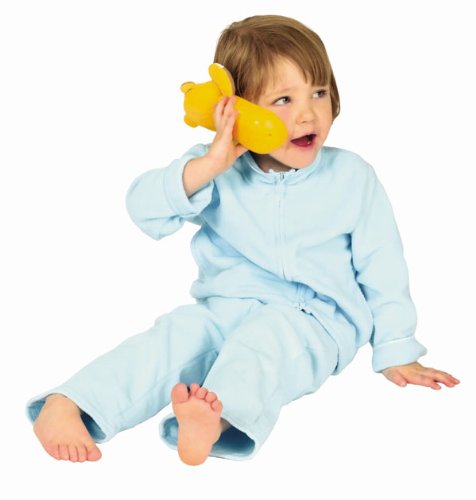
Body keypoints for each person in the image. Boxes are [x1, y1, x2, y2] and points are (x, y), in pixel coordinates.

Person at [27, 14, 460, 466]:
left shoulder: (352, 176)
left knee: (263, 346)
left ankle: (214, 421)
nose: (308, 113)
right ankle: (73, 403)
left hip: (315, 320)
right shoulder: (216, 167)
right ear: (238, 111)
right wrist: (209, 165)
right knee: (173, 338)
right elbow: (143, 209)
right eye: (283, 99)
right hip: (224, 305)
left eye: (318, 92)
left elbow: (383, 266)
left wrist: (395, 348)